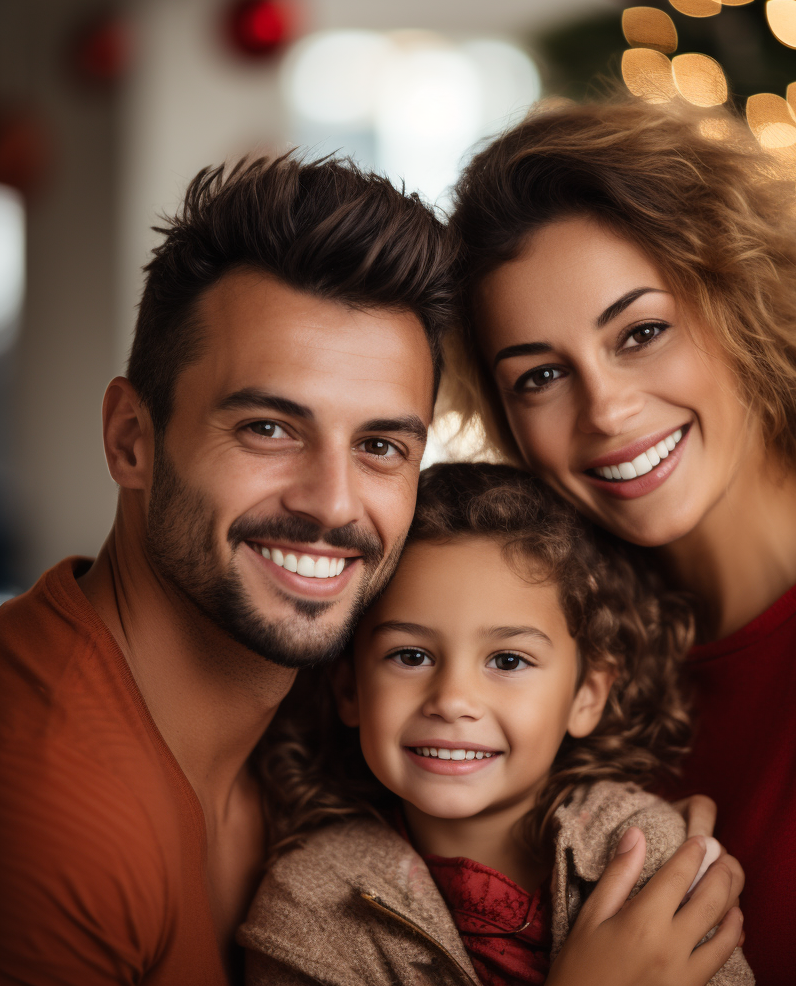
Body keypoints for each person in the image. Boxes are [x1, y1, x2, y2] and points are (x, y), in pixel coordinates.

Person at [0, 153, 743, 986]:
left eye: (381, 446)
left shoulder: (303, 749)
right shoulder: (48, 813)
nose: (332, 503)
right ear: (131, 439)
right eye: (269, 429)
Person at [445, 95, 796, 986]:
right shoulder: (556, 646)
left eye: (641, 332)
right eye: (542, 376)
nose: (605, 411)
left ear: (741, 305)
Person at [240, 461, 751, 986]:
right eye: (411, 656)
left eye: (508, 661)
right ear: (349, 689)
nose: (454, 700)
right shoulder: (307, 908)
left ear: (586, 696)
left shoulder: (646, 850)